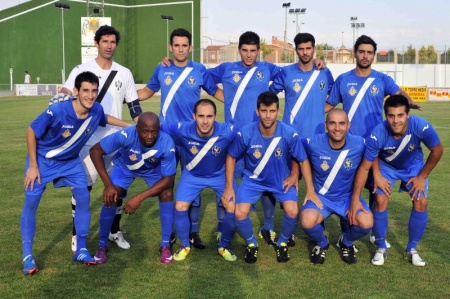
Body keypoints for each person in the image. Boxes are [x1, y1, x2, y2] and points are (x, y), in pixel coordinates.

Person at [21, 71, 131, 275]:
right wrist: (33, 166)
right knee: (31, 204)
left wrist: (129, 126)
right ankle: (28, 256)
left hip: (70, 162)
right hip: (44, 161)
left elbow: (104, 117)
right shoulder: (57, 111)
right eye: (86, 91)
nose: (90, 95)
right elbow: (30, 130)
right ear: (76, 91)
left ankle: (80, 250)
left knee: (83, 198)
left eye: (94, 91)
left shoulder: (95, 109)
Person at [50, 25, 143, 251]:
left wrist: (141, 126)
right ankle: (77, 235)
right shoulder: (82, 69)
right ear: (97, 43)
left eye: (113, 42)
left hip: (118, 141)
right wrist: (60, 96)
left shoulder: (125, 73)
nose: (109, 46)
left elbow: (134, 106)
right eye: (105, 42)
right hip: (89, 142)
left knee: (118, 190)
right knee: (83, 190)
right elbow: (66, 92)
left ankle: (114, 231)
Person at [326, 35, 421, 246]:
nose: (365, 55)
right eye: (361, 51)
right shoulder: (343, 80)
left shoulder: (381, 79)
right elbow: (329, 105)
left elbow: (398, 92)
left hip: (377, 144)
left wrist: (409, 101)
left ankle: (371, 231)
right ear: (355, 53)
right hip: (349, 145)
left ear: (373, 55)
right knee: (349, 187)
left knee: (374, 186)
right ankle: (347, 230)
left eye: (369, 52)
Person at [138, 28, 223, 249]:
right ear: (170, 47)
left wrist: (246, 101)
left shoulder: (199, 70)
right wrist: (122, 95)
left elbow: (216, 93)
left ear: (190, 47)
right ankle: (170, 233)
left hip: (191, 138)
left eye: (184, 45)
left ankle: (193, 231)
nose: (180, 49)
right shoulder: (162, 68)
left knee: (192, 180)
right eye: (176, 45)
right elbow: (147, 91)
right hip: (165, 136)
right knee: (166, 184)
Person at [349, 95, 443, 267]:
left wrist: (422, 177)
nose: (396, 120)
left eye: (400, 115)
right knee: (380, 199)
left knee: (421, 201)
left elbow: (437, 150)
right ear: (386, 116)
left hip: (413, 167)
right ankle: (380, 247)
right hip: (386, 167)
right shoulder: (378, 133)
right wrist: (376, 175)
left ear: (407, 114)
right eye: (391, 116)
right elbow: (364, 166)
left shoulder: (421, 126)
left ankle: (412, 249)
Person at [223, 91, 316, 263]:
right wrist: (229, 186)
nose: (268, 115)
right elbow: (231, 156)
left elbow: (302, 160)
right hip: (253, 181)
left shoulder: (289, 133)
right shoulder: (246, 133)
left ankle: (282, 243)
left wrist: (309, 190)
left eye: (272, 111)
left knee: (293, 211)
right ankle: (251, 244)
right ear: (257, 111)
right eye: (264, 111)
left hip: (280, 180)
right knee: (240, 212)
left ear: (278, 111)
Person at [89, 112, 176, 264]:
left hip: (152, 171)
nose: (149, 136)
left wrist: (139, 197)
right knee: (112, 195)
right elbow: (95, 151)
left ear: (159, 130)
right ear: (137, 129)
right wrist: (108, 185)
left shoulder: (167, 142)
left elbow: (168, 179)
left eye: (154, 131)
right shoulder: (126, 135)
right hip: (125, 167)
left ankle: (165, 245)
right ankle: (102, 245)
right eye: (145, 131)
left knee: (167, 193)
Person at [161, 99, 238, 262]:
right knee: (180, 206)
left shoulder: (228, 131)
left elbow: (251, 134)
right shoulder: (183, 129)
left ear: (216, 116)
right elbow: (156, 126)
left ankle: (224, 245)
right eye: (201, 116)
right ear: (193, 116)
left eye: (209, 116)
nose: (205, 121)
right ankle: (184, 245)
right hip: (192, 175)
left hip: (219, 175)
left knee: (232, 206)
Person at [300, 109, 372, 264]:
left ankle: (346, 242)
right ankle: (322, 243)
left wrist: (377, 176)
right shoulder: (312, 142)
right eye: (332, 123)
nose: (337, 128)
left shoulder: (359, 143)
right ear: (326, 125)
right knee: (307, 221)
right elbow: (297, 152)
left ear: (348, 125)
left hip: (347, 198)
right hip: (321, 198)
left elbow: (374, 154)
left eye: (341, 123)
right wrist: (303, 183)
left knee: (366, 222)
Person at [269, 32, 334, 138]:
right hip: (290, 135)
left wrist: (319, 109)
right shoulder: (286, 72)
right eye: (301, 49)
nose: (305, 52)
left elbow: (335, 96)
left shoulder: (324, 72)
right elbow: (269, 95)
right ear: (296, 50)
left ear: (314, 49)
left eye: (308, 48)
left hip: (317, 136)